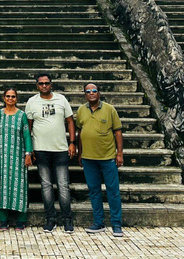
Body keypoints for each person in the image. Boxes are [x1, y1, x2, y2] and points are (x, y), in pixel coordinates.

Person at [25, 73, 76, 234]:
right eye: (41, 83)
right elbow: (29, 127)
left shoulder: (61, 100)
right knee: (46, 185)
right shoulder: (32, 102)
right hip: (41, 149)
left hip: (60, 149)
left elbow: (70, 121)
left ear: (51, 84)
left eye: (47, 83)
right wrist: (30, 149)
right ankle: (50, 218)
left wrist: (72, 143)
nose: (44, 86)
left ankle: (67, 219)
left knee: (63, 185)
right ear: (37, 85)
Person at [76, 82, 124, 238]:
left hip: (107, 157)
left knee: (113, 191)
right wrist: (80, 153)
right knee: (94, 191)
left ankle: (116, 224)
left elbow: (117, 132)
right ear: (85, 94)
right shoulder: (81, 110)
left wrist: (119, 154)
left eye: (94, 90)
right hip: (89, 158)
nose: (91, 93)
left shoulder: (109, 109)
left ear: (99, 93)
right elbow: (80, 133)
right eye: (88, 91)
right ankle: (98, 222)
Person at [0, 87, 33, 231]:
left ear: (16, 99)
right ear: (4, 98)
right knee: (2, 186)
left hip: (18, 156)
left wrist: (28, 154)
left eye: (13, 96)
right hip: (2, 156)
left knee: (19, 187)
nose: (10, 99)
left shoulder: (21, 115)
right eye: (8, 96)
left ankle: (21, 220)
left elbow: (27, 135)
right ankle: (3, 220)